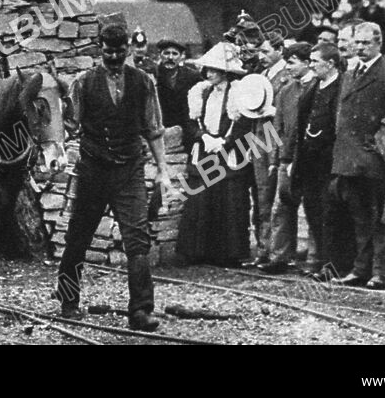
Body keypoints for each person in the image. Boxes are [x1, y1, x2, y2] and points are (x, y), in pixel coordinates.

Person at [55, 23, 176, 332]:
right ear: (100, 49)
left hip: (129, 169)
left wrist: (163, 168)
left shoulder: (143, 82)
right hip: (93, 169)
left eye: (119, 52)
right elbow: (69, 126)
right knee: (78, 237)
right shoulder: (83, 83)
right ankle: (68, 302)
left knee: (137, 239)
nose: (113, 57)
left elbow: (153, 128)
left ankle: (140, 311)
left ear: (127, 51)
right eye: (108, 52)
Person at [327, 22, 385, 290]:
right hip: (349, 158)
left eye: (366, 43)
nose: (360, 47)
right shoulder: (349, 74)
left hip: (376, 161)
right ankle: (360, 269)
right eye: (357, 43)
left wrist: (384, 139)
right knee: (358, 218)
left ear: (378, 43)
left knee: (380, 217)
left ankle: (380, 271)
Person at [177, 42, 254, 267]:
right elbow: (190, 122)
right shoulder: (201, 93)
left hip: (228, 154)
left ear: (225, 72)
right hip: (205, 151)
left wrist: (225, 142)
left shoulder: (238, 93)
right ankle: (200, 251)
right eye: (207, 69)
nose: (209, 73)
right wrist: (204, 137)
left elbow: (244, 124)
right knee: (201, 198)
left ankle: (228, 254)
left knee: (228, 200)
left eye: (215, 70)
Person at [261, 42, 318, 274]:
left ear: (307, 63)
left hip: (311, 158)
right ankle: (280, 256)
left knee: (314, 208)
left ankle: (315, 259)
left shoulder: (318, 87)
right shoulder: (286, 91)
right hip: (287, 158)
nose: (289, 68)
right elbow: (277, 128)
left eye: (292, 63)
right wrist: (274, 160)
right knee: (281, 207)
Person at [250, 33, 291, 266]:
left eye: (266, 51)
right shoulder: (262, 75)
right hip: (260, 139)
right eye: (259, 52)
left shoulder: (287, 76)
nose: (261, 56)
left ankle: (279, 252)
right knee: (262, 194)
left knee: (278, 198)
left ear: (279, 50)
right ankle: (264, 249)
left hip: (278, 138)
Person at [153, 39, 200, 150]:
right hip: (161, 131)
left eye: (175, 54)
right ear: (160, 55)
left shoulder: (192, 76)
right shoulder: (153, 75)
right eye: (166, 53)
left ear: (181, 57)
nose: (170, 57)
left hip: (186, 131)